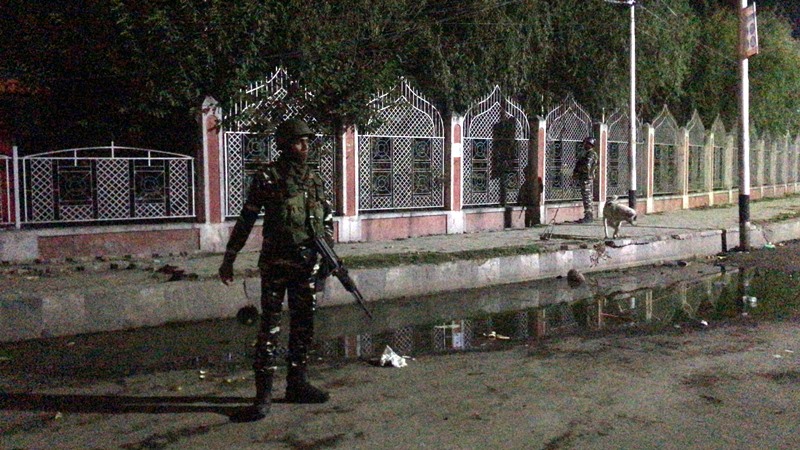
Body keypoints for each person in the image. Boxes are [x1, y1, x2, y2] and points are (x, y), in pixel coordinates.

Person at [218, 118, 334, 421]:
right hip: (276, 265)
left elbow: (326, 219)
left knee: (304, 326)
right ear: (284, 145)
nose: (305, 147)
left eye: (307, 142)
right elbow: (246, 218)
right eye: (299, 142)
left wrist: (328, 257)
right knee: (270, 328)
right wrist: (230, 257)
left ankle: (297, 384)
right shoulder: (267, 178)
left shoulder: (315, 178)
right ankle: (263, 396)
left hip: (307, 266)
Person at [573, 136, 598, 223]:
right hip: (585, 177)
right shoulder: (587, 153)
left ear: (590, 144)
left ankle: (588, 216)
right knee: (586, 196)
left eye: (586, 143)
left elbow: (587, 166)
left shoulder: (591, 154)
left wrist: (579, 171)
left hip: (586, 178)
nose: (584, 145)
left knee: (587, 196)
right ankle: (588, 215)